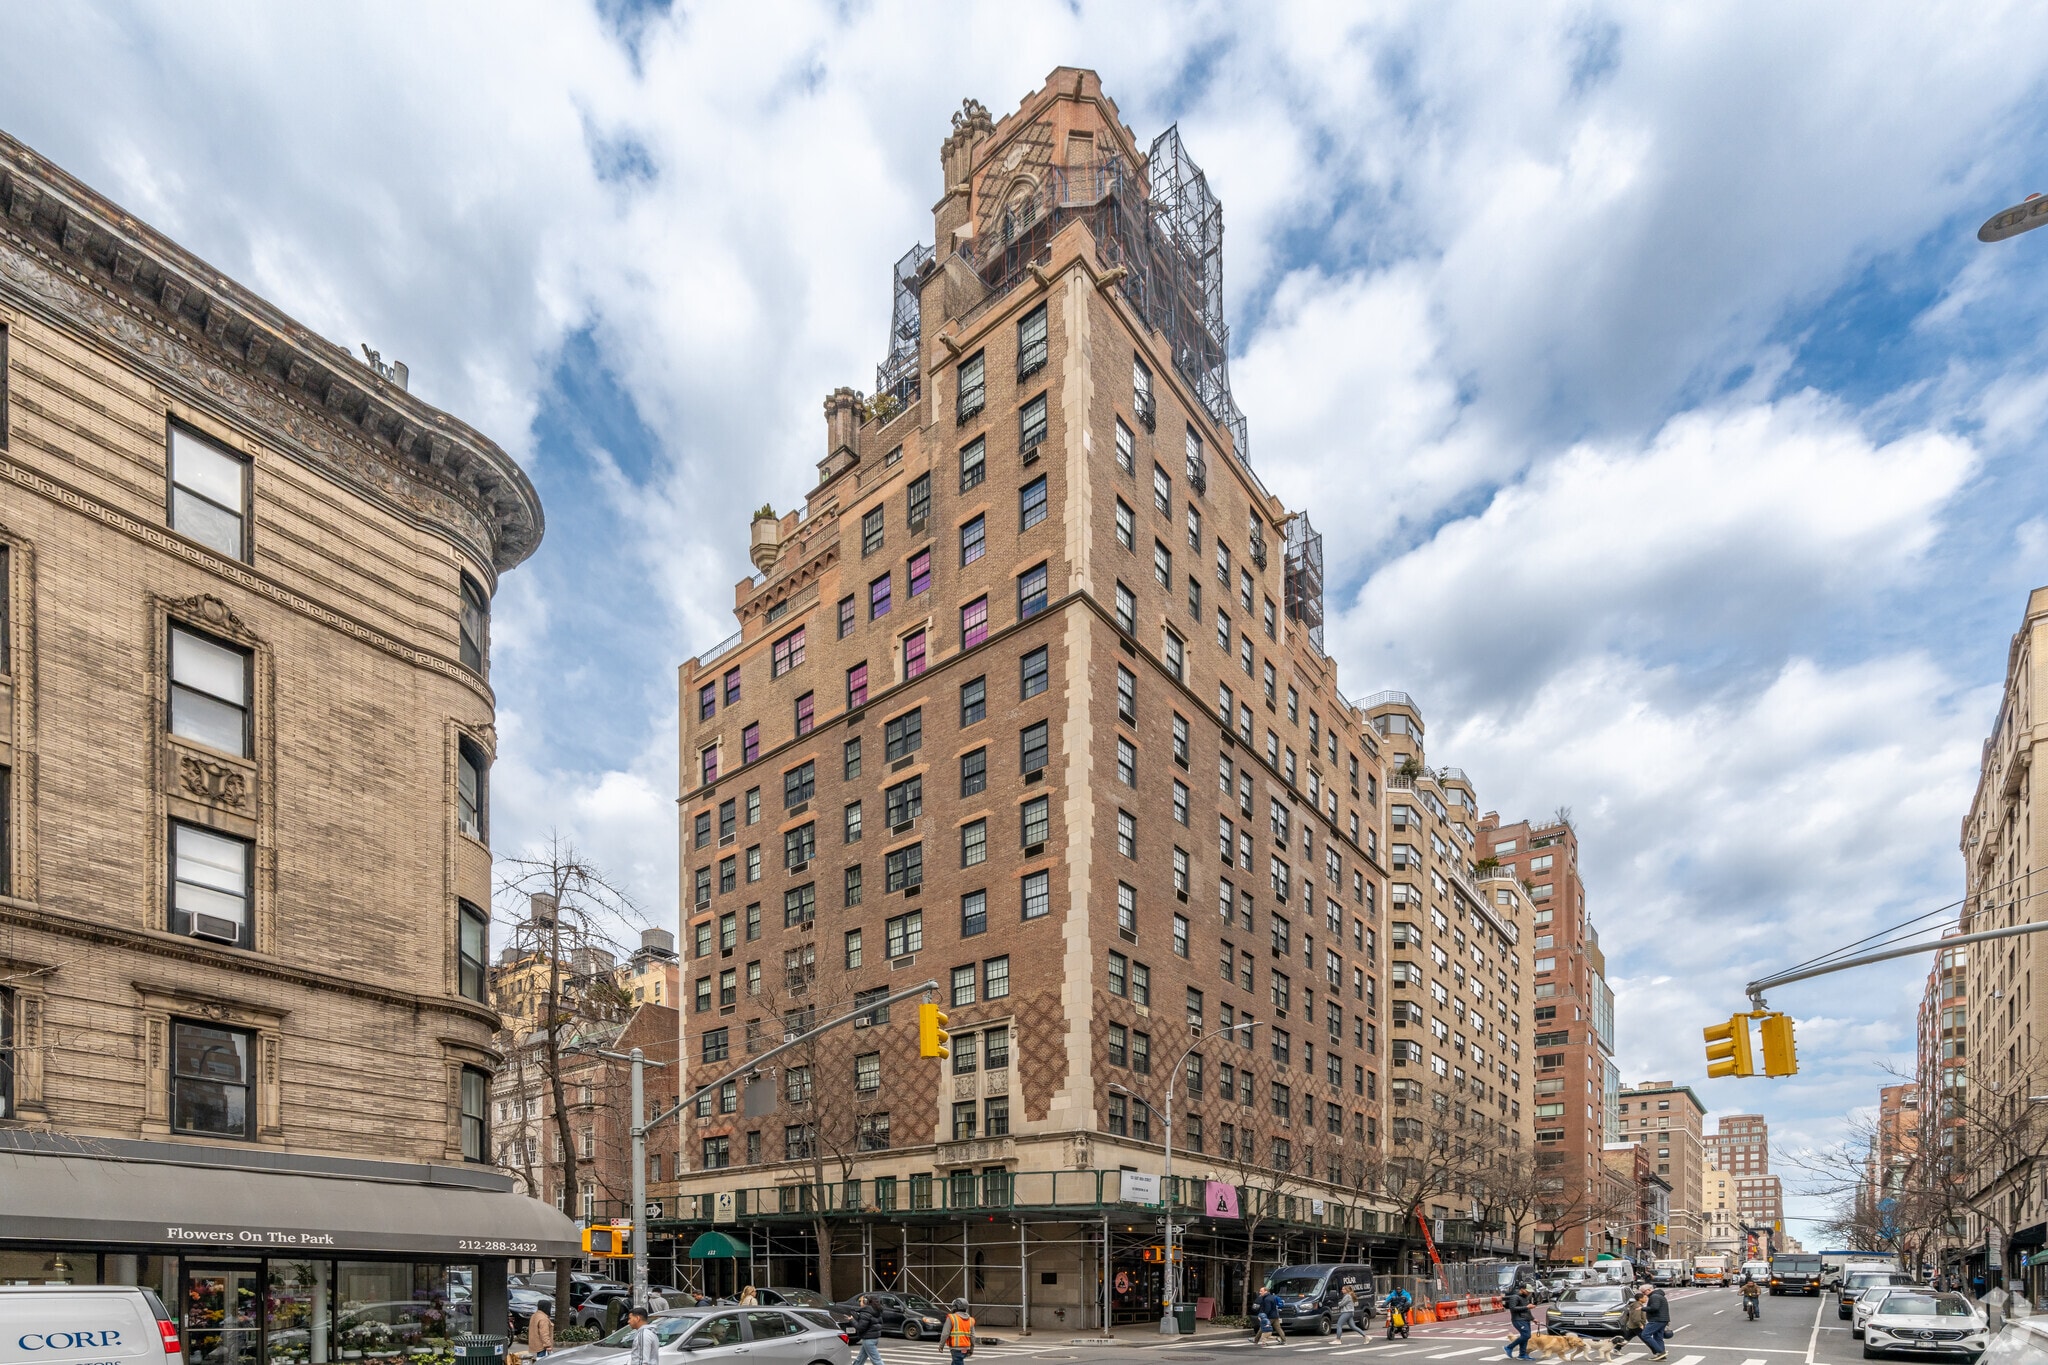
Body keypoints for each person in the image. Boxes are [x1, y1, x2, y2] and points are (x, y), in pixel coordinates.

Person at [849, 1295, 887, 1365]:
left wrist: (852, 1320)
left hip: (868, 1340)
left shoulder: (865, 1313)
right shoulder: (876, 1311)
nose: (860, 1303)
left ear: (865, 1302)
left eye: (861, 1301)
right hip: (874, 1338)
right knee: (860, 1359)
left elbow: (860, 1327)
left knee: (877, 1361)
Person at [1640, 1285, 1670, 1362]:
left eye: (1644, 1292)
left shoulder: (1654, 1296)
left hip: (1656, 1319)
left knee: (1645, 1334)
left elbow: (1654, 1307)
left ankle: (1660, 1352)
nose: (1644, 1294)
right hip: (1662, 1319)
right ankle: (1662, 1356)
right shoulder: (1659, 1295)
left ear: (1649, 1290)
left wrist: (1642, 1308)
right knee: (1658, 1337)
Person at [941, 1298, 975, 1365]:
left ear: (955, 1307)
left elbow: (945, 1334)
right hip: (966, 1348)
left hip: (956, 1348)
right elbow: (973, 1336)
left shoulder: (951, 1318)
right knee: (956, 1362)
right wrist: (972, 1348)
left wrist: (941, 1346)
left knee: (957, 1362)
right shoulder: (970, 1320)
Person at [1503, 1287, 1533, 1360]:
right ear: (1522, 1289)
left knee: (1526, 1337)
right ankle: (1509, 1347)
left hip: (1525, 1319)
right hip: (1518, 1319)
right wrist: (1526, 1307)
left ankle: (1522, 1355)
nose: (1529, 1293)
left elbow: (1527, 1310)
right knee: (1526, 1335)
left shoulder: (1525, 1298)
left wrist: (1533, 1318)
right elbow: (1513, 1308)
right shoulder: (1515, 1297)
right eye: (1527, 1291)